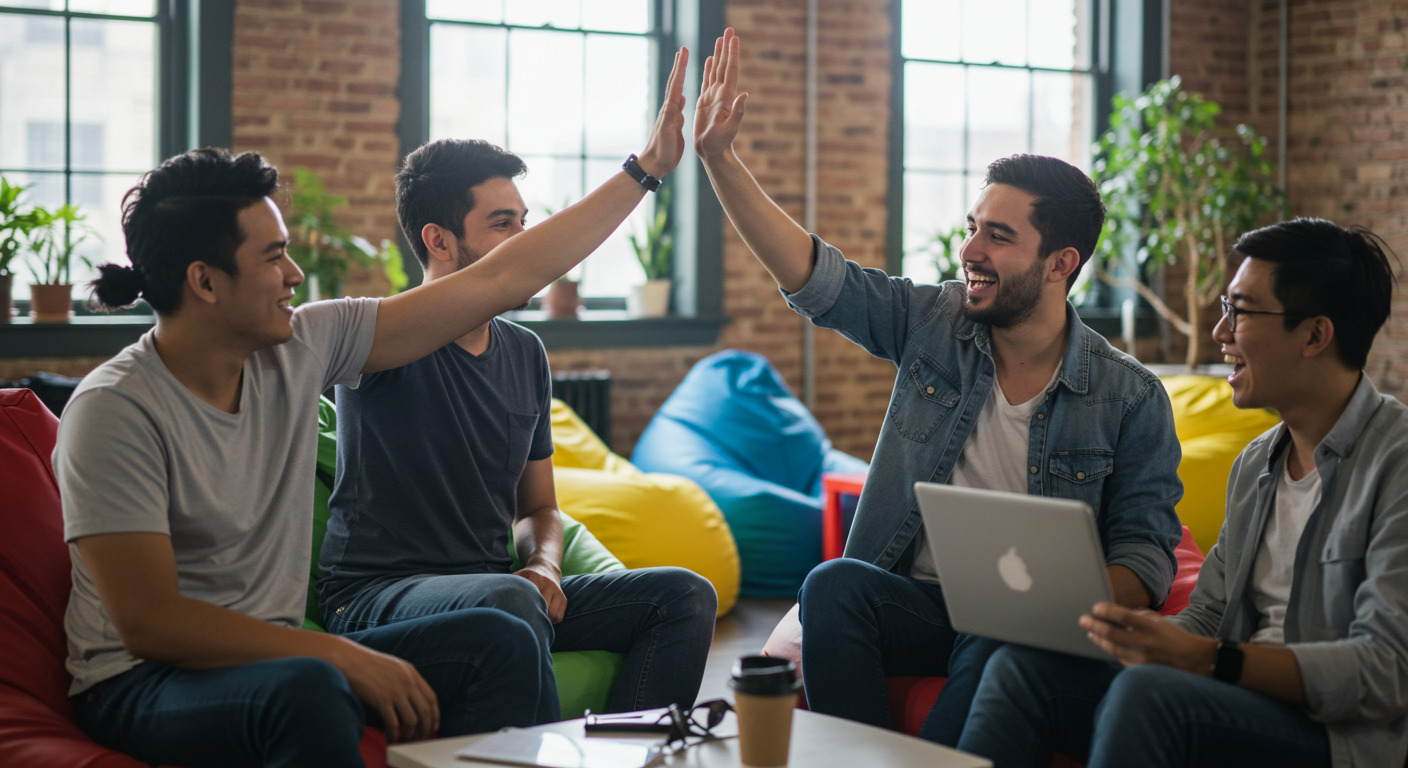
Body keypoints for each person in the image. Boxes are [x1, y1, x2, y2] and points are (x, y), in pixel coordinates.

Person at [55, 47, 689, 768]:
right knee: (311, 688)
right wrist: (334, 653)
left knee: (501, 637)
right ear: (205, 281)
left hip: (280, 657)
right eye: (273, 258)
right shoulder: (115, 409)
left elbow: (502, 278)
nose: (295, 274)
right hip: (144, 682)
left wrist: (645, 171)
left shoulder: (303, 346)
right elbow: (150, 623)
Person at [691, 28, 1183, 745]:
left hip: (1019, 621)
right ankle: (856, 760)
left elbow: (1146, 555)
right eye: (972, 227)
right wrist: (720, 160)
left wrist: (1063, 603)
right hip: (914, 601)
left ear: (1060, 264)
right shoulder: (934, 322)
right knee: (832, 583)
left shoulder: (1129, 397)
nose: (970, 250)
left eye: (999, 237)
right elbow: (817, 279)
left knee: (1005, 631)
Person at [958, 218, 1408, 768]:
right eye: (1225, 307)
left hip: (1336, 737)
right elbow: (1210, 613)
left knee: (1148, 695)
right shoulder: (1257, 464)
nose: (1220, 331)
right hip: (1229, 698)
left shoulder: (1396, 465)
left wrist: (1210, 660)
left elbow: (1386, 670)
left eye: (1241, 312)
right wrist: (1141, 638)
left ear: (1315, 336)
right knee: (1023, 667)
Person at [316, 136, 717, 718]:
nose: (526, 241)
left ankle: (634, 746)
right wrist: (644, 171)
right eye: (503, 224)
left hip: (497, 591)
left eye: (525, 222)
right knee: (508, 599)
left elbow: (539, 507)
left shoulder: (526, 352)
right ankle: (542, 753)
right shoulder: (380, 338)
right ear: (438, 240)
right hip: (375, 599)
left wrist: (544, 564)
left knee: (684, 594)